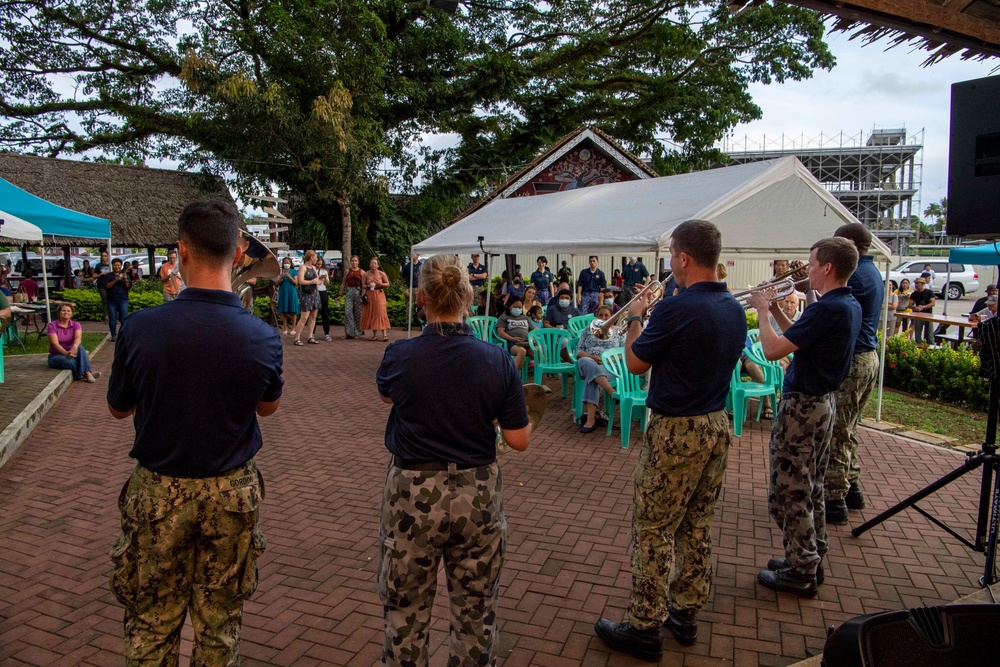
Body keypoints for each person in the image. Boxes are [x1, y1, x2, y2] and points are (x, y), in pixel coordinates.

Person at [107, 199, 283, 666]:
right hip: (232, 491)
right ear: (239, 250)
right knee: (219, 624)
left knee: (151, 622)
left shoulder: (139, 327)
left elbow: (117, 409)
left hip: (157, 490)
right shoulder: (261, 336)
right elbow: (269, 407)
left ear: (182, 250)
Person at [594, 220, 745, 661]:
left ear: (683, 258)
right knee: (697, 525)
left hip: (677, 431)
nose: (668, 265)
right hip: (716, 424)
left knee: (653, 529)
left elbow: (636, 363)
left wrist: (639, 314)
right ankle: (686, 612)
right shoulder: (734, 308)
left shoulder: (676, 310)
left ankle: (644, 627)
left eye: (671, 257)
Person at [375, 253, 530, 667]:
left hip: (411, 492)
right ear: (469, 295)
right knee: (476, 613)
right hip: (476, 495)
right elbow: (519, 440)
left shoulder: (399, 356)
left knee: (405, 612)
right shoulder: (496, 360)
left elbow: (387, 394)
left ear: (421, 296)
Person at [748, 237, 860, 599]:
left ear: (827, 267)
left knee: (788, 490)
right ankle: (810, 555)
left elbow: (771, 349)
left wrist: (762, 310)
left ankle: (802, 568)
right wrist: (779, 308)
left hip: (804, 408)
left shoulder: (827, 308)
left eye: (811, 264)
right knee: (810, 487)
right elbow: (798, 336)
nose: (805, 270)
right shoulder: (844, 304)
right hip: (821, 404)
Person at [823, 225, 883, 525]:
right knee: (847, 429)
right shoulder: (872, 272)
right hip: (867, 357)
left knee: (837, 431)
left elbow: (832, 313)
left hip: (853, 360)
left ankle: (833, 500)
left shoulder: (855, 276)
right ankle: (851, 488)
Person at [575, 304, 623, 433]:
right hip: (588, 361)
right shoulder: (588, 330)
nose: (603, 318)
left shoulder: (618, 331)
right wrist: (592, 356)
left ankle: (590, 421)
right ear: (596, 317)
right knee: (587, 362)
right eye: (600, 315)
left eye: (606, 315)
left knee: (592, 380)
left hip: (608, 366)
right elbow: (578, 350)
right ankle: (610, 390)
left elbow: (622, 353)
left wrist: (607, 359)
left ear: (612, 317)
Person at [47, 302, 100, 383]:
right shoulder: (52, 325)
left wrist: (74, 347)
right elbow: (55, 344)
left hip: (72, 352)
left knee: (80, 347)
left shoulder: (76, 324)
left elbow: (78, 338)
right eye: (63, 311)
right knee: (70, 362)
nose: (66, 313)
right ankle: (86, 373)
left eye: (68, 311)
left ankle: (87, 373)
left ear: (72, 313)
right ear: (59, 312)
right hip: (56, 355)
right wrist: (66, 353)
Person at [292, 250, 322, 346]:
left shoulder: (313, 267)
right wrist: (312, 282)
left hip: (314, 293)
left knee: (313, 316)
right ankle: (297, 338)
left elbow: (317, 279)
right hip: (306, 294)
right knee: (304, 317)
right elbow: (300, 281)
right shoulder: (302, 267)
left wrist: (319, 281)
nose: (317, 259)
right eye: (315, 257)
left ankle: (310, 336)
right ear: (311, 257)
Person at [98, 259, 131, 341]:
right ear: (112, 266)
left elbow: (128, 287)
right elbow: (106, 287)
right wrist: (115, 280)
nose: (117, 267)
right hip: (111, 300)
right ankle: (113, 335)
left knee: (124, 318)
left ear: (121, 266)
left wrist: (126, 279)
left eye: (119, 265)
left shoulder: (124, 275)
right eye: (115, 265)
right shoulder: (108, 276)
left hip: (123, 299)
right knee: (112, 318)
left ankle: (123, 335)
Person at [496, 297, 533, 371]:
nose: (518, 309)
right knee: (522, 351)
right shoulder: (504, 317)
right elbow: (500, 332)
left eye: (519, 307)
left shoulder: (525, 318)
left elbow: (532, 329)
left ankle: (540, 379)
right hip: (512, 343)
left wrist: (535, 332)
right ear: (510, 307)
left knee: (538, 352)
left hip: (526, 342)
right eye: (515, 307)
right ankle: (513, 377)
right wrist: (512, 338)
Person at [361, 257, 391, 341]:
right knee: (373, 313)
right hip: (370, 294)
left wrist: (380, 283)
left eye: (375, 263)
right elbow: (362, 285)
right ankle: (374, 335)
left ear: (377, 265)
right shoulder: (366, 274)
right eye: (372, 263)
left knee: (381, 313)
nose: (373, 265)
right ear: (369, 265)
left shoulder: (382, 274)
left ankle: (384, 335)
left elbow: (387, 284)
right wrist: (368, 286)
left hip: (379, 294)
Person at [338, 255, 365, 339]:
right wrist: (340, 294)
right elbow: (343, 283)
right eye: (352, 261)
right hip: (349, 292)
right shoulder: (347, 271)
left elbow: (364, 286)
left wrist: (362, 296)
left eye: (355, 261)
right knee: (347, 313)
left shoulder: (362, 272)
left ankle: (357, 332)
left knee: (358, 313)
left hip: (358, 292)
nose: (354, 262)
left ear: (358, 262)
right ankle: (348, 332)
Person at [275, 257, 300, 335]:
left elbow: (296, 283)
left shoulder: (294, 271)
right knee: (284, 311)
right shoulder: (281, 272)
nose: (286, 264)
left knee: (293, 311)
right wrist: (282, 277)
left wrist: (289, 277)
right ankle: (285, 328)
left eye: (288, 263)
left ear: (290, 263)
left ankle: (293, 328)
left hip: (292, 292)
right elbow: (276, 284)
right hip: (283, 292)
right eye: (285, 263)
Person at [909, 278, 936, 345]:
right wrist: (916, 307)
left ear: (922, 284)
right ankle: (918, 345)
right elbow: (910, 304)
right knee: (917, 332)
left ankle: (931, 346)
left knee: (929, 333)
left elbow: (933, 303)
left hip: (928, 314)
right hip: (918, 315)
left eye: (918, 283)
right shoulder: (914, 294)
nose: (916, 285)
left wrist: (923, 307)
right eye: (915, 283)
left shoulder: (929, 292)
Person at [315, 254, 332, 341]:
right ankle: (312, 333)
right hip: (314, 292)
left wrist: (325, 278)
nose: (319, 266)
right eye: (317, 264)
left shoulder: (324, 271)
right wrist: (318, 277)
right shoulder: (312, 270)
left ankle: (327, 333)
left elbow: (327, 284)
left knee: (324, 313)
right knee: (313, 313)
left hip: (322, 291)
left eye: (320, 264)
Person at [95, 250, 111, 322]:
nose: (104, 257)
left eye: (105, 256)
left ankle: (112, 315)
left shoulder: (110, 265)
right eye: (103, 256)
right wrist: (100, 274)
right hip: (101, 284)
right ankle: (106, 316)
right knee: (105, 300)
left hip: (110, 284)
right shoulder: (98, 266)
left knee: (112, 300)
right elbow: (94, 276)